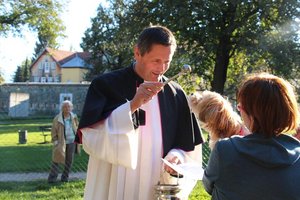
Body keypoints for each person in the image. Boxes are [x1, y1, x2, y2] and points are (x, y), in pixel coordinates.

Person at [76, 25, 204, 200]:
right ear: (137, 52)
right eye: (156, 60)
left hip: (156, 183)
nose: (161, 68)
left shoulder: (176, 93)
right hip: (116, 182)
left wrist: (177, 156)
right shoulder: (105, 85)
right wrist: (133, 104)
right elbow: (91, 138)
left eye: (167, 61)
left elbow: (188, 145)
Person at [203, 73, 300, 200]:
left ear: (251, 113)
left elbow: (208, 186)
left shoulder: (225, 150)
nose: (239, 110)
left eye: (240, 106)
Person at [48, 100, 80, 183]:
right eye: (65, 106)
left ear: (72, 108)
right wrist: (55, 141)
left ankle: (65, 178)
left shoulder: (74, 117)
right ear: (62, 108)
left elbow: (77, 127)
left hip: (72, 142)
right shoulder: (57, 118)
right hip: (61, 142)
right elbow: (53, 131)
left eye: (69, 106)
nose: (67, 108)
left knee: (69, 161)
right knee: (56, 160)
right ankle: (52, 179)